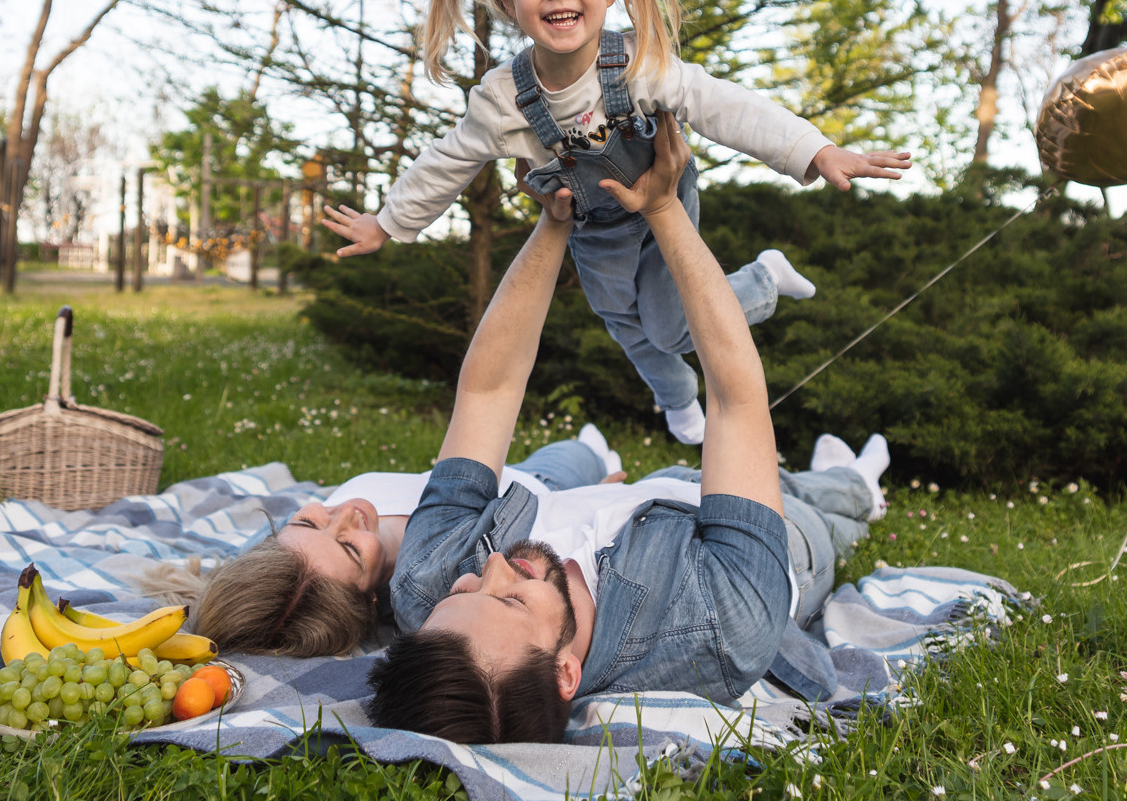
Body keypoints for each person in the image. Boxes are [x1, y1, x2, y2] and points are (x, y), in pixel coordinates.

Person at [366, 114, 889, 744]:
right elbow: (734, 401)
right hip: (778, 548)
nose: (494, 565)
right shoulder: (721, 627)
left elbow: (487, 391)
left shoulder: (427, 592)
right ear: (565, 673)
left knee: (698, 476)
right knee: (816, 511)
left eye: (466, 589)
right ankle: (859, 486)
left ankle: (833, 478)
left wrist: (554, 220)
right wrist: (665, 209)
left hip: (649, 498)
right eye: (512, 598)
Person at [320, 0, 911, 444]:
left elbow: (723, 104)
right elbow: (447, 161)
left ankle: (763, 279)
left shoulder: (638, 63)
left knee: (669, 327)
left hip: (661, 208)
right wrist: (389, 222)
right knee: (621, 321)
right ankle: (676, 397)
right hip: (594, 226)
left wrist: (813, 150)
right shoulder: (502, 99)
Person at [185, 428, 624, 657]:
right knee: (589, 453)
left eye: (307, 522)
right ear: (371, 602)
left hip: (519, 466)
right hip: (547, 488)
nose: (344, 515)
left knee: (580, 446)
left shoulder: (291, 556)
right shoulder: (441, 574)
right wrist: (594, 496)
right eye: (351, 549)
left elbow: (261, 589)